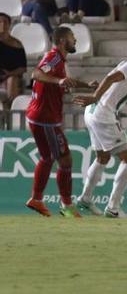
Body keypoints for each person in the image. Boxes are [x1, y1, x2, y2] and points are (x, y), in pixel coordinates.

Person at [74, 39, 127, 217]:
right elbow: (111, 78)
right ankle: (113, 208)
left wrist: (97, 96)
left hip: (92, 113)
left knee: (102, 157)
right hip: (103, 115)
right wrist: (95, 96)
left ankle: (85, 198)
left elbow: (111, 81)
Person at [25, 26, 94, 217]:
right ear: (63, 41)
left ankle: (37, 199)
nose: (75, 41)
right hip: (46, 118)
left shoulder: (59, 61)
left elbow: (64, 80)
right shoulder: (54, 57)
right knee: (65, 159)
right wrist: (59, 82)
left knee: (47, 157)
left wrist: (87, 86)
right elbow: (36, 74)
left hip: (39, 116)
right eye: (73, 38)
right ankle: (66, 205)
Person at [0, 12, 26, 110]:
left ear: (9, 25)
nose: (2, 25)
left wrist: (10, 73)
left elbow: (22, 68)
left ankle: (10, 111)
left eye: (5, 22)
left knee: (12, 80)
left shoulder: (17, 44)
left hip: (9, 77)